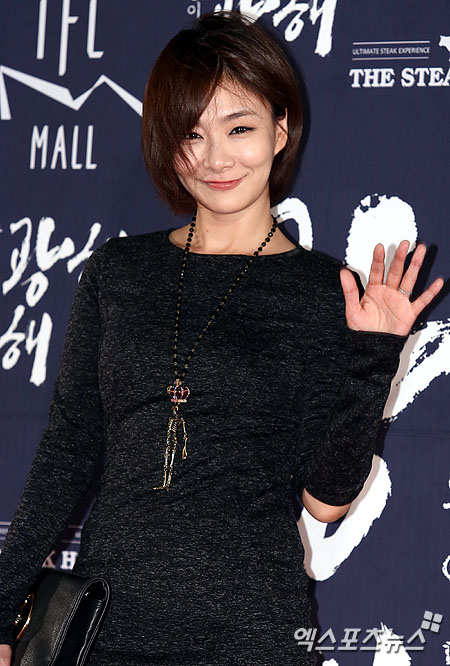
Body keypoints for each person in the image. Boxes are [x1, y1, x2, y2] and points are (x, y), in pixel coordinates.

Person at [0, 10, 444, 666]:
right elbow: (67, 451)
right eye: (192, 133)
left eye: (239, 128)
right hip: (108, 629)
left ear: (280, 129)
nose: (215, 158)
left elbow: (325, 501)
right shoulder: (118, 273)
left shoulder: (326, 293)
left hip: (250, 635)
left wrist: (374, 357)